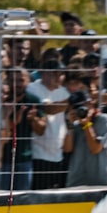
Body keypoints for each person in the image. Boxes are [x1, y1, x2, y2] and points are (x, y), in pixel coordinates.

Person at [27, 59, 69, 189]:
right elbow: (48, 109)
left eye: (61, 74)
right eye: (54, 73)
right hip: (39, 154)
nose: (58, 77)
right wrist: (70, 102)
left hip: (58, 154)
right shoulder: (33, 88)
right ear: (43, 73)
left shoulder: (64, 92)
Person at [0, 67, 44, 191]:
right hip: (2, 160)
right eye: (13, 80)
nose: (17, 84)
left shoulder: (33, 101)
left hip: (24, 158)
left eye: (21, 80)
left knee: (22, 198)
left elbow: (41, 130)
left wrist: (33, 119)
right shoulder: (2, 99)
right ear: (7, 81)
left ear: (28, 81)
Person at [62, 89, 107, 187]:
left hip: (99, 182)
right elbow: (67, 149)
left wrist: (87, 124)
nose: (79, 110)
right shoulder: (75, 124)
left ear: (90, 103)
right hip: (76, 181)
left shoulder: (105, 120)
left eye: (82, 106)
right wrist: (70, 125)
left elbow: (95, 149)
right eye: (75, 108)